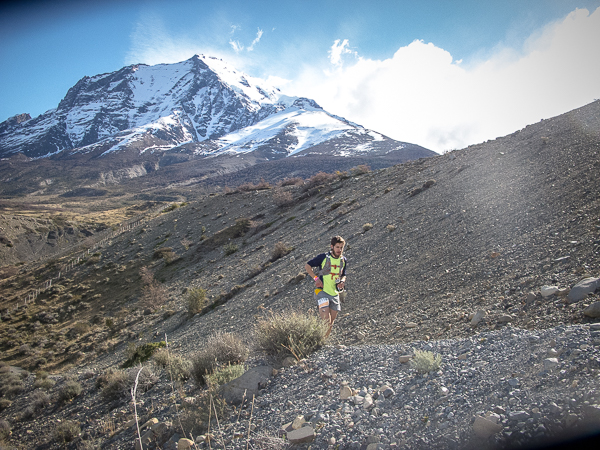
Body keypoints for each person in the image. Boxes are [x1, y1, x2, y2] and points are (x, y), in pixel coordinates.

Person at [305, 236, 347, 338]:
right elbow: (307, 266)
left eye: (341, 247)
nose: (339, 250)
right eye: (337, 247)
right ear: (332, 247)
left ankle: (323, 341)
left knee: (330, 323)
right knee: (326, 321)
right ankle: (317, 340)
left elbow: (343, 275)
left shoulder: (343, 260)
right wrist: (316, 278)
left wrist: (342, 281)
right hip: (322, 292)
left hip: (335, 294)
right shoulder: (323, 257)